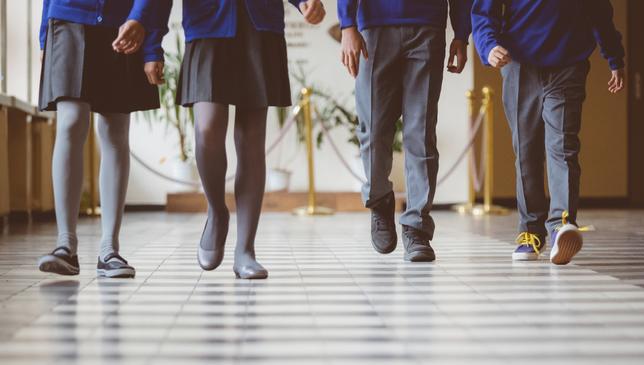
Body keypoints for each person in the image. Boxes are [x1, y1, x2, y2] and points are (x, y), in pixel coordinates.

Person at [149, 0, 326, 279]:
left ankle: (245, 250)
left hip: (260, 24)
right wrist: (151, 44)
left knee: (252, 141)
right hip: (207, 22)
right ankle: (217, 211)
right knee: (207, 129)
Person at [472, 0, 625, 264]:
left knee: (563, 147)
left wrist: (614, 56)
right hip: (519, 62)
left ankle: (561, 226)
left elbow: (599, 10)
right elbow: (484, 10)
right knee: (526, 150)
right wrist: (488, 46)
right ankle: (531, 232)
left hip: (568, 64)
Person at [337, 0, 472, 262]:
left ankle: (416, 227)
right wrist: (347, 24)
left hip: (427, 26)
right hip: (374, 27)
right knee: (373, 130)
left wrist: (461, 33)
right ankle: (380, 200)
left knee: (420, 133)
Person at [37, 0, 163, 278]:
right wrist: (45, 37)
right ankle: (65, 244)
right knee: (70, 122)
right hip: (67, 20)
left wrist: (148, 34)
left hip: (125, 22)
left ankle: (109, 249)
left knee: (115, 131)